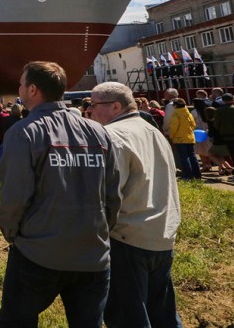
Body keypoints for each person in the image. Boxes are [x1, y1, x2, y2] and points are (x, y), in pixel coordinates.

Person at [0, 61, 121, 328]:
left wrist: (12, 234)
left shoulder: (23, 133)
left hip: (38, 252)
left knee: (16, 320)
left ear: (32, 90)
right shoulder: (97, 131)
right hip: (93, 253)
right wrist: (99, 231)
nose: (18, 88)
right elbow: (113, 193)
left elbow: (14, 197)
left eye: (21, 83)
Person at [87, 82, 181, 327]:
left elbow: (107, 193)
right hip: (162, 235)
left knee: (127, 317)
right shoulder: (153, 131)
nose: (89, 111)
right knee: (163, 314)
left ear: (115, 106)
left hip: (127, 238)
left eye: (93, 105)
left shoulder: (113, 135)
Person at [167, 98, 201, 180]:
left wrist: (171, 136)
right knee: (192, 156)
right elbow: (193, 125)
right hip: (189, 137)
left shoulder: (176, 114)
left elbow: (173, 127)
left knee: (184, 157)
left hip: (179, 138)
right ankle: (197, 174)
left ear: (175, 105)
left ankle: (188, 175)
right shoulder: (188, 113)